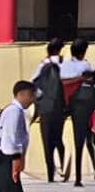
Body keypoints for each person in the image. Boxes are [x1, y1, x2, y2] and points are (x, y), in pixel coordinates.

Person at [62, 39, 95, 186]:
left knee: (81, 141)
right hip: (85, 102)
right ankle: (80, 177)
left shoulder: (65, 66)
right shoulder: (85, 65)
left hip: (72, 104)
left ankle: (78, 178)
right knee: (88, 141)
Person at [33, 40, 67, 182]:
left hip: (45, 109)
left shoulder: (42, 65)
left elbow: (34, 86)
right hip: (60, 108)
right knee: (58, 139)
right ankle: (63, 168)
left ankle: (50, 175)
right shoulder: (65, 64)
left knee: (47, 141)